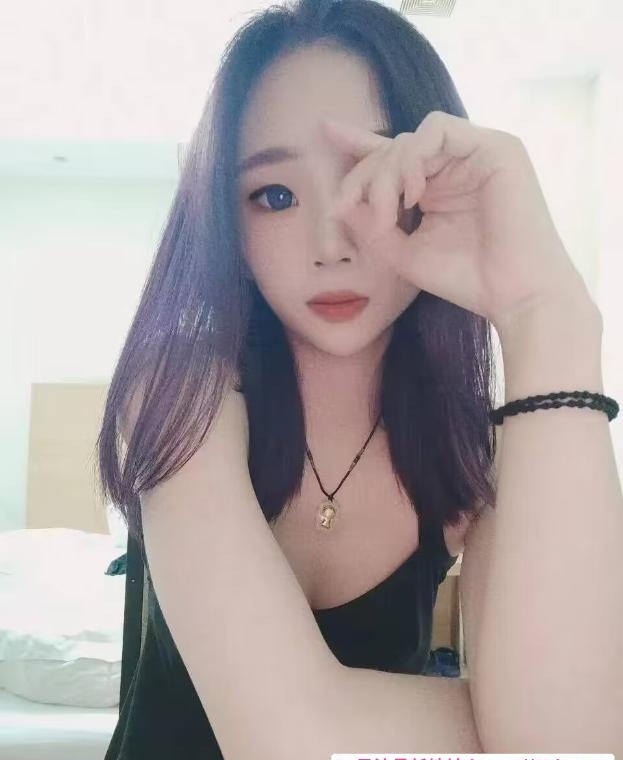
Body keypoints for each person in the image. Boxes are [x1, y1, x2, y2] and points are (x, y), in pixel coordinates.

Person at [97, 0, 620, 757]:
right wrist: (491, 720)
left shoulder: (472, 450)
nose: (330, 245)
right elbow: (286, 739)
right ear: (227, 223)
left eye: (369, 180)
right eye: (274, 196)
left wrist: (547, 315)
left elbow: (567, 744)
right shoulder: (182, 387)